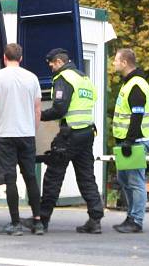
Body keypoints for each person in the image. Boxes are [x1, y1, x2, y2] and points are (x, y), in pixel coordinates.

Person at [23, 48, 104, 234]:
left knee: (53, 175)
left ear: (59, 61)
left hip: (69, 136)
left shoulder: (63, 78)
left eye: (51, 62)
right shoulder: (84, 78)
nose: (50, 66)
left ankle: (42, 219)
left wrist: (38, 115)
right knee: (86, 176)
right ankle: (95, 219)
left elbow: (59, 109)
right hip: (86, 133)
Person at [0, 43, 44, 236]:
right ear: (21, 58)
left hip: (5, 135)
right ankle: (38, 222)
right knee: (30, 177)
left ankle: (15, 223)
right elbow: (37, 109)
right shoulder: (32, 78)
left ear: (4, 57)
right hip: (26, 134)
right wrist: (31, 128)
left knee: (10, 179)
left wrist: (0, 114)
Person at [111, 48, 149, 233]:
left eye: (116, 60)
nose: (114, 63)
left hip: (135, 141)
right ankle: (131, 216)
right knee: (124, 179)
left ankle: (137, 220)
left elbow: (137, 115)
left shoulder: (136, 84)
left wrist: (129, 140)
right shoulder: (129, 83)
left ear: (125, 63)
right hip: (127, 141)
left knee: (135, 181)